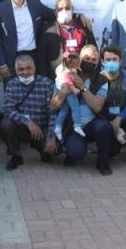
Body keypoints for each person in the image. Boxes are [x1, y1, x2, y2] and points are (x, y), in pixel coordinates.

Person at [51, 45, 114, 175]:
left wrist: (82, 87)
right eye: (86, 58)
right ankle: (72, 151)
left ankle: (103, 164)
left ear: (98, 62)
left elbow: (97, 107)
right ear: (79, 58)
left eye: (93, 60)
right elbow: (53, 106)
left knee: (105, 128)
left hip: (92, 124)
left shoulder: (102, 80)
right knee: (76, 152)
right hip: (73, 125)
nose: (90, 61)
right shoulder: (66, 75)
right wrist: (63, 91)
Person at [0, 55, 58, 170]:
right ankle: (16, 154)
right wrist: (29, 123)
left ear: (34, 68)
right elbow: (8, 109)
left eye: (28, 68)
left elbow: (53, 112)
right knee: (5, 123)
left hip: (42, 128)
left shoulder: (46, 83)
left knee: (54, 152)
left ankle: (38, 145)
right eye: (21, 69)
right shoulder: (11, 84)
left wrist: (51, 138)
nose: (25, 72)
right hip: (23, 127)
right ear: (16, 71)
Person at [0, 0, 55, 80]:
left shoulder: (35, 5)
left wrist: (78, 15)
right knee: (13, 89)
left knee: (35, 88)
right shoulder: (0, 9)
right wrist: (2, 64)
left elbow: (55, 15)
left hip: (34, 57)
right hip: (12, 59)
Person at [40, 0, 96, 80]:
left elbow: (94, 48)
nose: (64, 11)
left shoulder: (84, 25)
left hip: (82, 75)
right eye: (60, 9)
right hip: (58, 77)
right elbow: (42, 57)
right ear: (56, 12)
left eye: (67, 8)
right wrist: (44, 79)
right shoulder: (48, 29)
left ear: (72, 9)